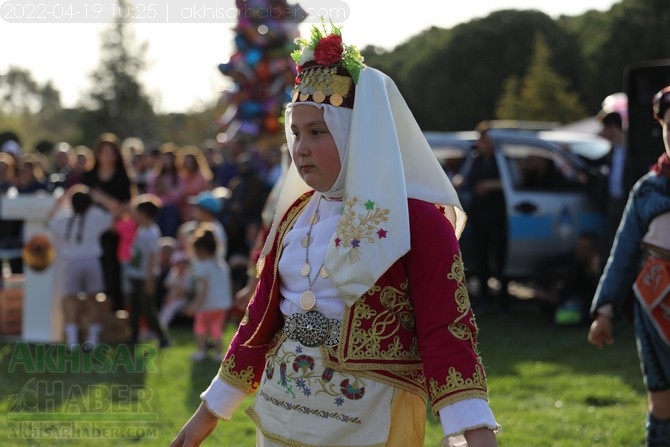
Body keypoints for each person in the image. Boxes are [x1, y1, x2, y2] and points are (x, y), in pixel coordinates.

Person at [171, 25, 499, 447]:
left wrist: (475, 431)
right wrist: (207, 413)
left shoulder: (419, 222)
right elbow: (260, 320)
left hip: (370, 423)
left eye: (318, 132)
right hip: (281, 419)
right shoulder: (292, 216)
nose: (300, 148)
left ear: (357, 136)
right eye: (297, 132)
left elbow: (446, 331)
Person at [588, 86, 670, 447]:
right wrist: (604, 311)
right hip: (655, 310)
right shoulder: (648, 189)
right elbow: (622, 254)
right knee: (663, 404)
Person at [46, 185, 115, 349]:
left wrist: (60, 201)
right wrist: (100, 198)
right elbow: (116, 213)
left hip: (71, 261)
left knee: (71, 301)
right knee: (93, 300)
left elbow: (49, 220)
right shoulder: (96, 216)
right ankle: (92, 339)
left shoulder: (65, 218)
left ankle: (72, 340)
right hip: (92, 261)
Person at [459, 121, 510, 314]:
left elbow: (512, 181)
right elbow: (464, 178)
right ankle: (484, 300)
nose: (485, 143)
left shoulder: (502, 159)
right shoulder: (475, 159)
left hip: (499, 217)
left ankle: (503, 302)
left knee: (500, 260)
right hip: (479, 217)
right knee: (481, 260)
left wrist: (490, 185)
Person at [80, 133, 134, 312]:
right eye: (103, 152)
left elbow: (124, 209)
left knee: (112, 271)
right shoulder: (89, 176)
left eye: (111, 153)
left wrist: (102, 199)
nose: (107, 156)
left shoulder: (122, 177)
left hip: (112, 231)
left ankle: (114, 311)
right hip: (90, 233)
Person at [125, 193, 170, 348]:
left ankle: (163, 337)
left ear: (143, 213)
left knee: (148, 308)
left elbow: (152, 257)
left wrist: (149, 280)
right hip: (136, 275)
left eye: (136, 212)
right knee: (135, 307)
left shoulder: (151, 232)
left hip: (146, 276)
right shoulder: (142, 230)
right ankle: (134, 336)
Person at [183, 227, 233, 362]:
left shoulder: (202, 266)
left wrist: (194, 305)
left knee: (200, 327)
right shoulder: (221, 264)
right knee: (216, 328)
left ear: (201, 250)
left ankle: (202, 351)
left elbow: (203, 289)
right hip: (222, 304)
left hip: (207, 305)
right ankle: (218, 352)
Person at [596, 111, 636, 258]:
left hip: (627, 202)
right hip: (613, 203)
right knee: (613, 242)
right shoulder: (611, 151)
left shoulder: (632, 151)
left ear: (612, 127)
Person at [158, 248, 194, 329]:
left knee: (172, 306)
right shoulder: (173, 273)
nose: (181, 267)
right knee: (166, 307)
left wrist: (173, 296)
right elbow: (167, 285)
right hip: (172, 298)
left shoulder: (189, 276)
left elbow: (185, 293)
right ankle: (158, 326)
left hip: (183, 300)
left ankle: (162, 327)